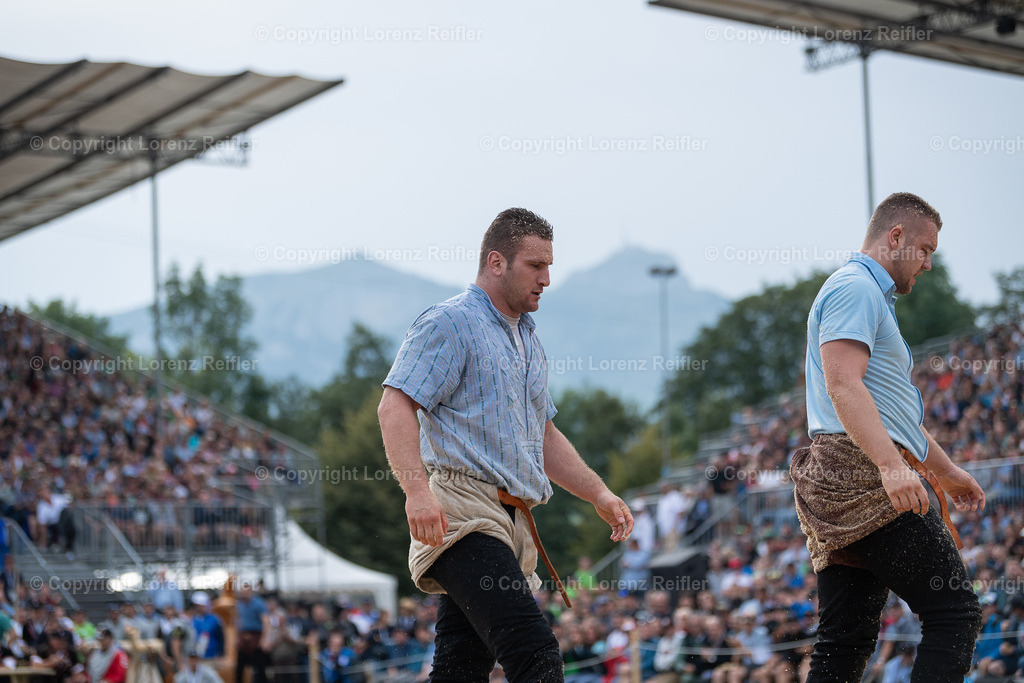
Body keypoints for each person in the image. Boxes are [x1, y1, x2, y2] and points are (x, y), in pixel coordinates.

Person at [378, 208, 634, 682]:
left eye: (549, 266)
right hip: (461, 512)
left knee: (462, 670)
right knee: (534, 653)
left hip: (511, 520)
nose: (547, 279)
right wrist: (416, 492)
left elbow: (544, 434)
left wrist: (598, 493)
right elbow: (394, 407)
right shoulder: (449, 323)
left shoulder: (528, 339)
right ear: (497, 262)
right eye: (536, 266)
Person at [790, 192, 985, 681]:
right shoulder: (855, 288)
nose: (928, 263)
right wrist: (892, 466)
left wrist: (946, 471)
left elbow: (890, 411)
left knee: (845, 640)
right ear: (894, 237)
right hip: (862, 469)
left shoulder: (866, 295)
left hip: (849, 467)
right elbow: (843, 384)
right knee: (954, 613)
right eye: (924, 249)